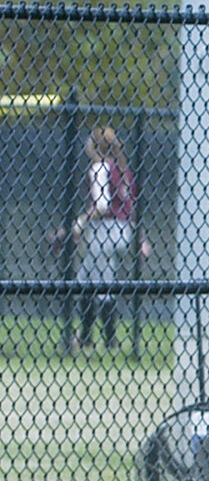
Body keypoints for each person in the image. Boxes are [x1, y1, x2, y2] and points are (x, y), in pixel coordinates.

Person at [59, 127, 136, 355]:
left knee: (100, 284)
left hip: (105, 231)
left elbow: (102, 205)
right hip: (122, 230)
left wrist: (80, 223)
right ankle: (89, 338)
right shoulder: (122, 168)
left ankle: (102, 339)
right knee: (87, 278)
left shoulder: (99, 168)